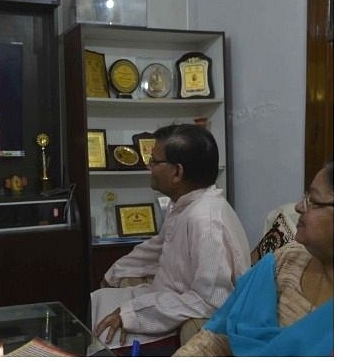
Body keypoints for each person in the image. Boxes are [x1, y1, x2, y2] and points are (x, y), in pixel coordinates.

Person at [91, 123, 251, 356]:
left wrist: (133, 315)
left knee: (102, 342)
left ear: (177, 172)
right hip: (165, 299)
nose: (149, 166)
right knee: (97, 300)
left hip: (181, 321)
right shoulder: (185, 203)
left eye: (155, 162)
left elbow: (212, 302)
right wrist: (114, 273)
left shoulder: (206, 221)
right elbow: (158, 247)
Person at [174, 161, 334, 357]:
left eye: (313, 200)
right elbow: (217, 335)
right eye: (305, 197)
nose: (300, 207)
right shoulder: (285, 260)